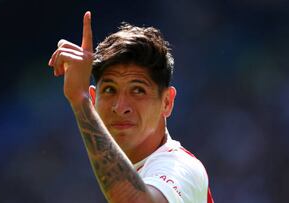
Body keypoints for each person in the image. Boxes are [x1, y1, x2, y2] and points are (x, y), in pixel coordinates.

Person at [48, 11, 214, 203]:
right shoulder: (124, 174)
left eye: (137, 90)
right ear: (94, 99)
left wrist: (79, 100)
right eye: (110, 90)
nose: (120, 107)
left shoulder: (181, 168)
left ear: (167, 102)